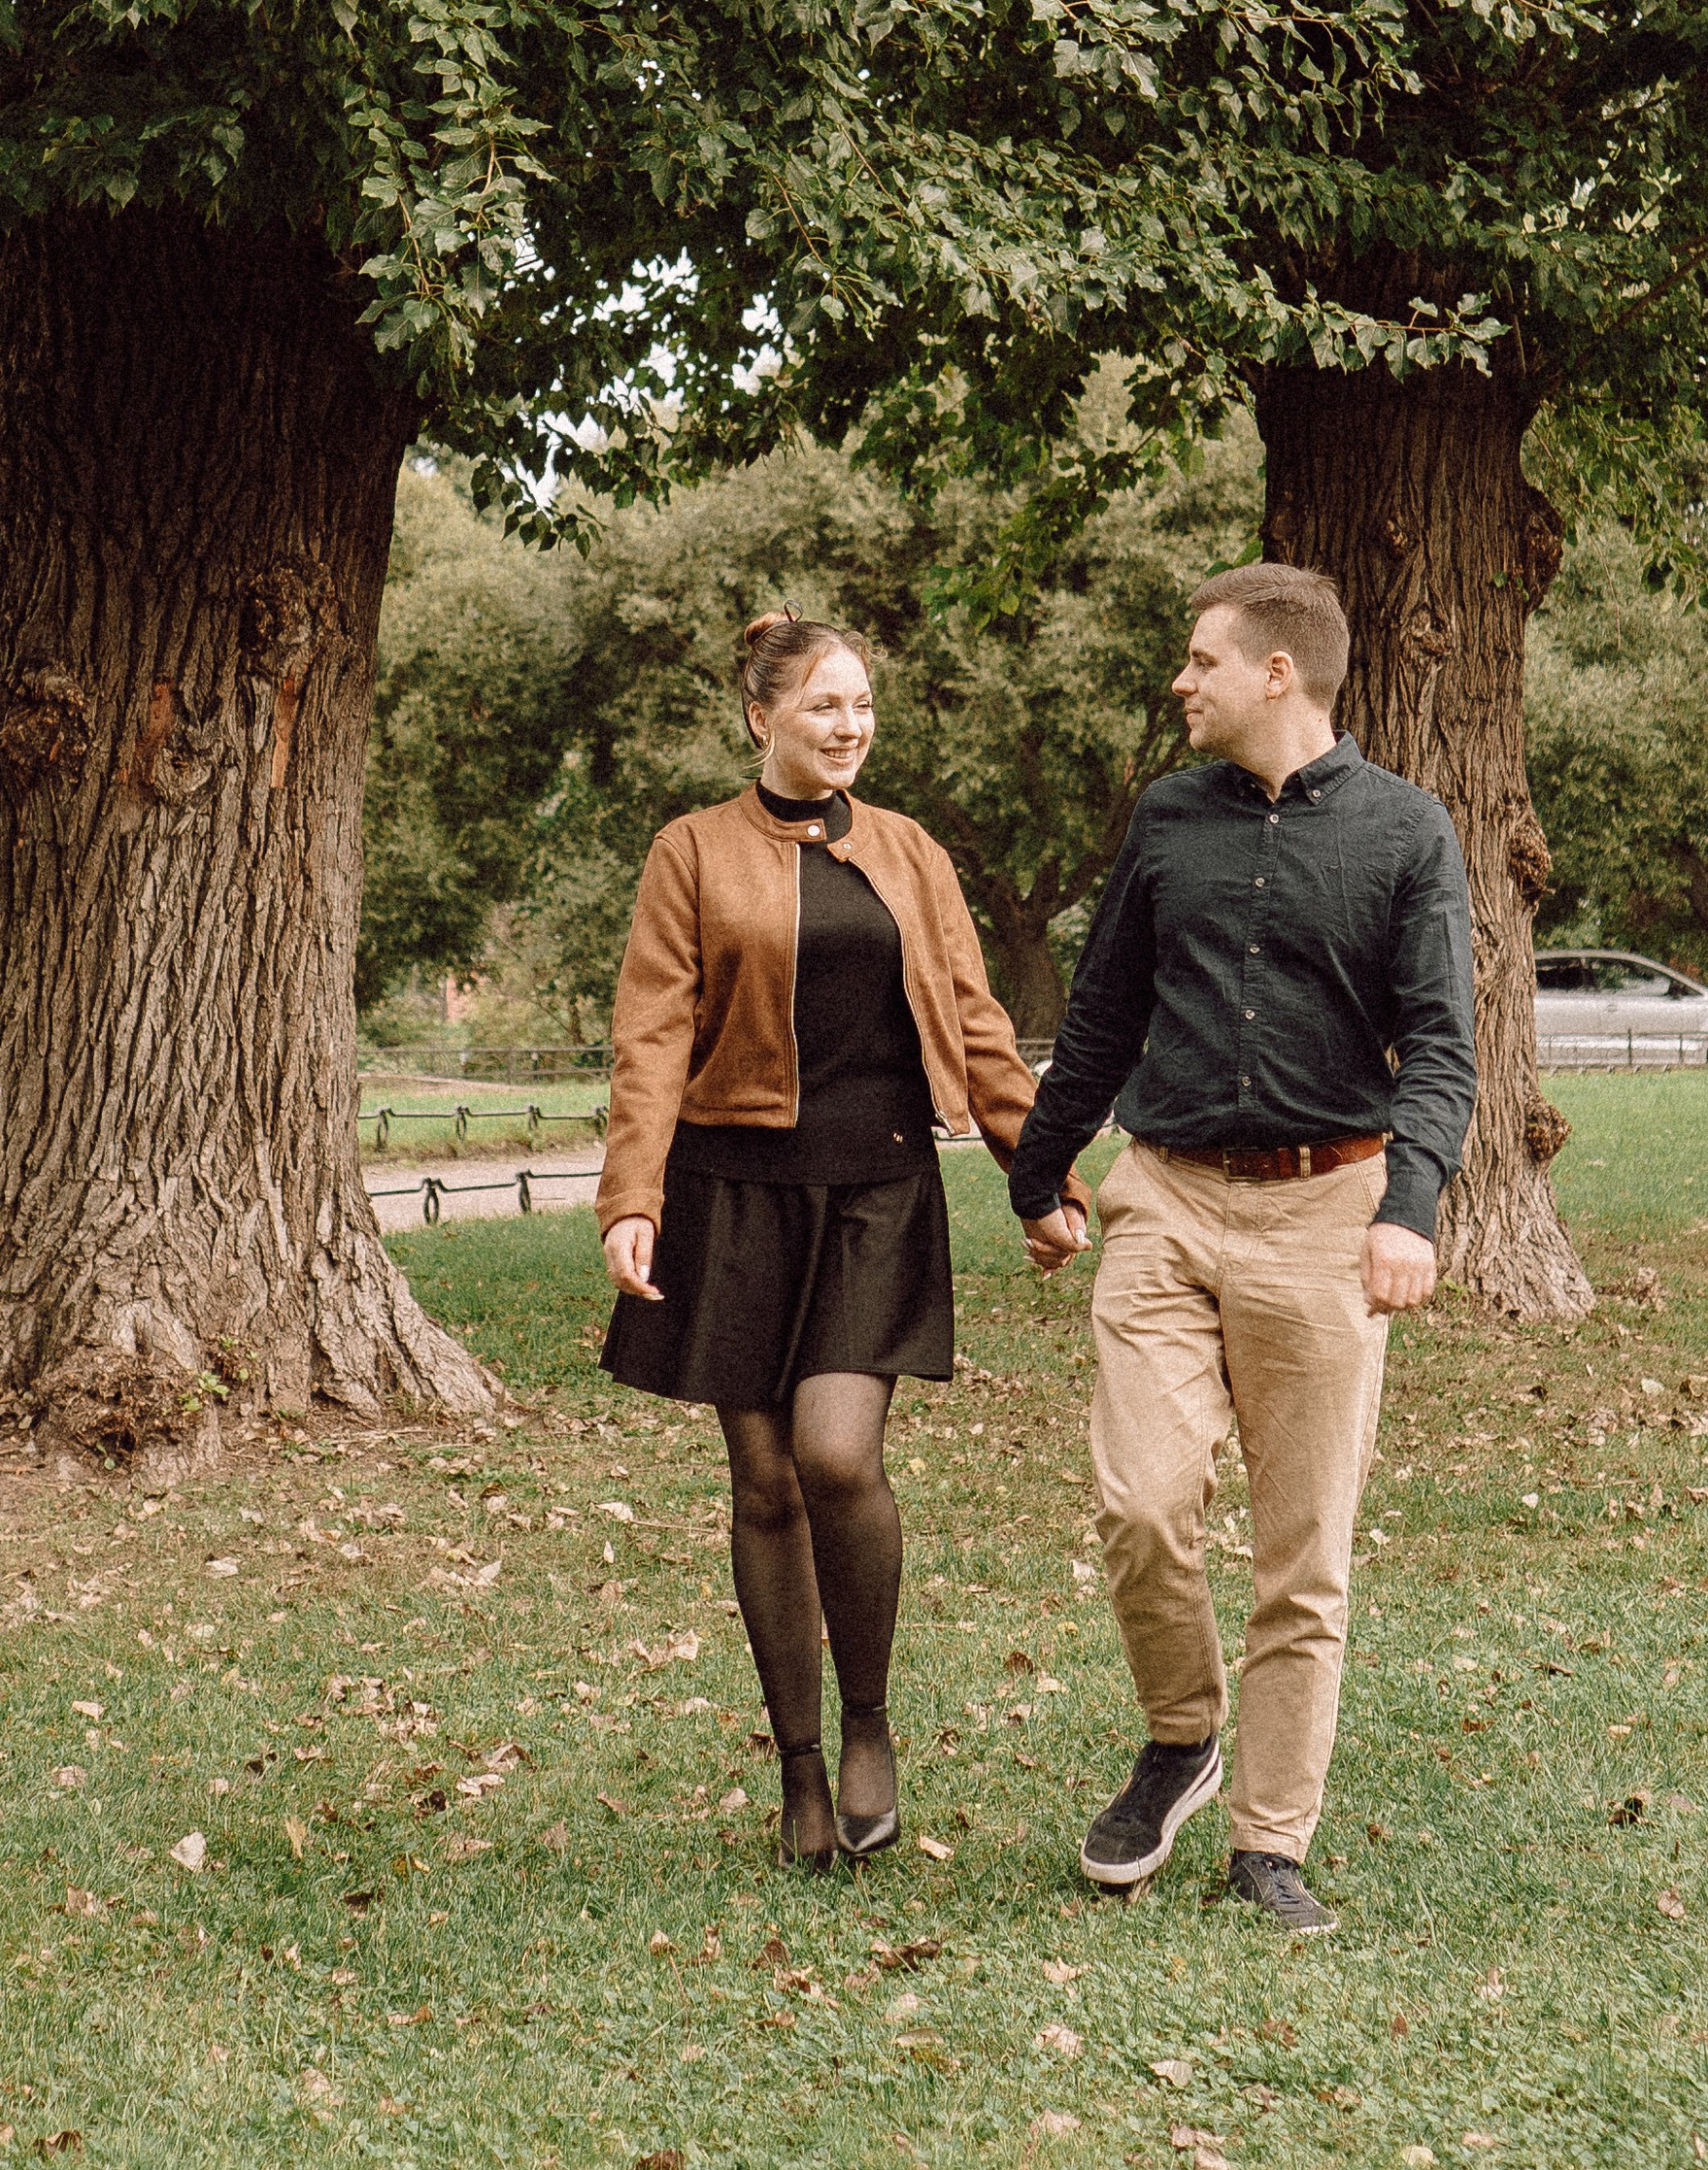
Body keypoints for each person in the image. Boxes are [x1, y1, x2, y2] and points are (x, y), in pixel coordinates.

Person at [1008, 560, 1475, 1933]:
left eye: (1201, 659)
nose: (1182, 681)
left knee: (1302, 1554)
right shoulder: (1165, 822)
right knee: (1144, 1500)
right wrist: (1042, 1169)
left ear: (1279, 672)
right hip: (1166, 1199)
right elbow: (1099, 1015)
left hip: (1332, 1212)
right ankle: (1180, 1735)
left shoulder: (1409, 834)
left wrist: (1411, 1208)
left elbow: (1443, 1046)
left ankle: (1271, 1841)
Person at [598, 613, 1053, 1869]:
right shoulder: (689, 853)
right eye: (823, 707)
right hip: (731, 1190)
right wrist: (632, 1197)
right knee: (762, 1483)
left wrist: (1039, 1171)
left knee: (836, 1457)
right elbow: (650, 1037)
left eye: (861, 706)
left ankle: (869, 1726)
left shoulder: (910, 853)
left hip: (877, 1186)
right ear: (762, 717)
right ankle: (798, 1769)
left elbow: (973, 1014)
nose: (848, 727)